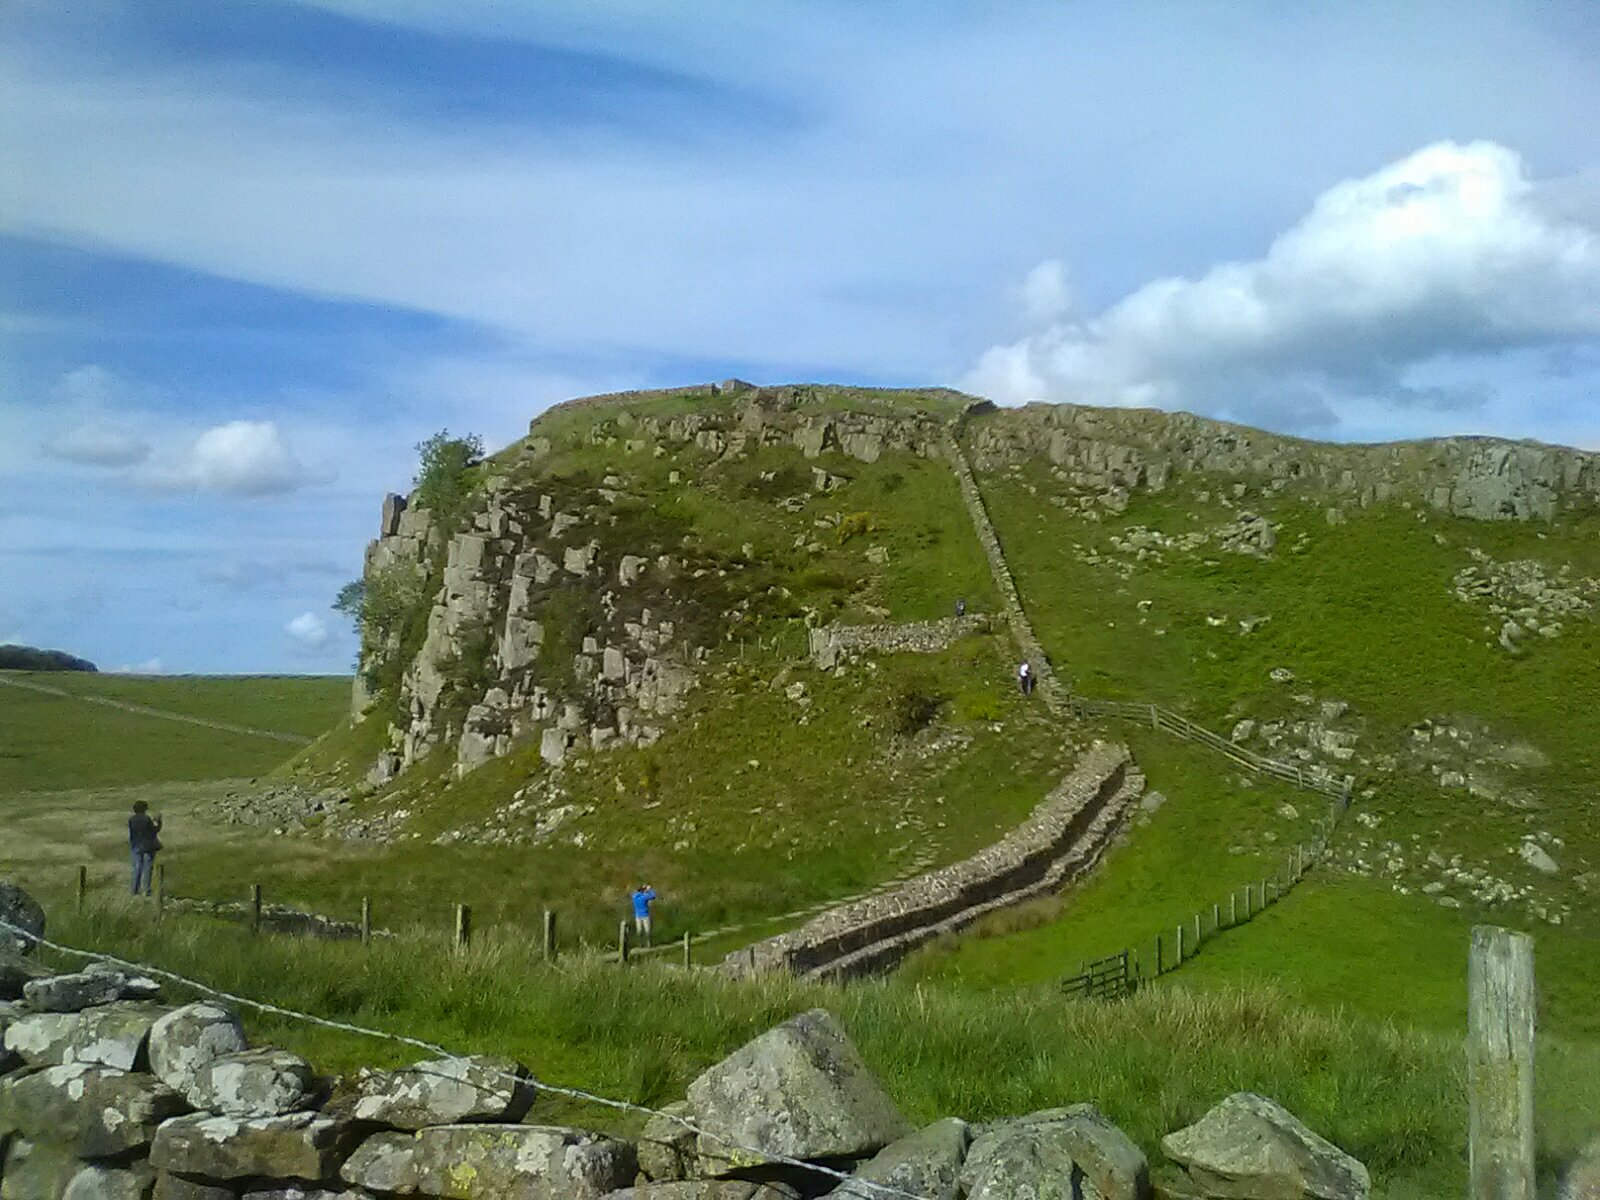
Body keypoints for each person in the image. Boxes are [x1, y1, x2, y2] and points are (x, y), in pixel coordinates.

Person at [128, 800, 163, 896]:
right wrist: (159, 822)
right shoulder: (146, 819)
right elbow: (154, 831)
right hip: (148, 846)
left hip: (136, 845)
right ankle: (147, 890)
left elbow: (131, 834)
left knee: (137, 868)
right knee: (148, 868)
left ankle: (135, 890)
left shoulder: (131, 819)